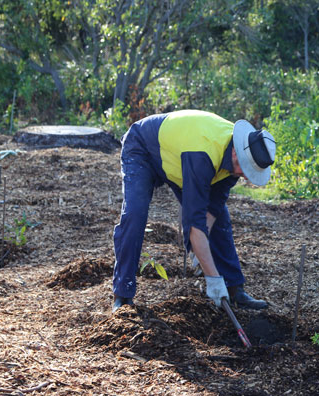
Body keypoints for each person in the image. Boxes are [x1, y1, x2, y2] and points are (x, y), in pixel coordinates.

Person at [111, 109, 276, 313]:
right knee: (135, 215)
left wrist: (200, 248)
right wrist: (212, 278)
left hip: (179, 161)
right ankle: (123, 295)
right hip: (143, 148)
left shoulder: (239, 162)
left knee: (221, 220)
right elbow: (194, 222)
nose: (242, 174)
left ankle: (234, 290)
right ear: (236, 152)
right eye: (243, 167)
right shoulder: (203, 154)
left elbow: (211, 210)